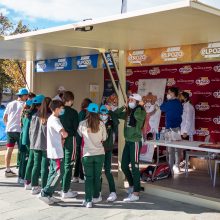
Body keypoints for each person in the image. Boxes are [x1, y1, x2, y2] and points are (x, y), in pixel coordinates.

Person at [114, 93, 146, 202]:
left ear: (137, 102)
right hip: (128, 142)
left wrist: (138, 106)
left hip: (135, 142)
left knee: (135, 167)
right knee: (123, 165)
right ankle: (132, 186)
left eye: (132, 100)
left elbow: (137, 116)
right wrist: (124, 106)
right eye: (129, 100)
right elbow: (115, 114)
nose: (130, 102)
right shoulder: (128, 112)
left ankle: (136, 193)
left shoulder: (140, 111)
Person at [38, 100, 68, 205]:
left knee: (53, 173)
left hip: (54, 150)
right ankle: (45, 192)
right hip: (56, 152)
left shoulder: (53, 118)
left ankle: (49, 194)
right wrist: (65, 134)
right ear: (56, 109)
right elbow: (63, 133)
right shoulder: (54, 120)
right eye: (61, 108)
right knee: (59, 173)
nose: (62, 110)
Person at [78, 103, 107, 208]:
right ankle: (96, 196)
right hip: (99, 154)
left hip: (87, 155)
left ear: (88, 112)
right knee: (97, 176)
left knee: (88, 178)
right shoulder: (102, 124)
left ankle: (88, 200)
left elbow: (80, 135)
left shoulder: (82, 124)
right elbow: (104, 138)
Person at [3, 88, 29, 177]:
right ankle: (22, 172)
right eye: (27, 95)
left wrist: (7, 125)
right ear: (24, 96)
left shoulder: (10, 104)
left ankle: (7, 170)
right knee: (22, 151)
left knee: (9, 150)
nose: (27, 97)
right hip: (19, 130)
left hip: (9, 130)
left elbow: (4, 117)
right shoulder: (25, 104)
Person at [30, 97, 52, 195]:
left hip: (35, 144)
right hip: (45, 145)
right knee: (44, 167)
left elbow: (31, 131)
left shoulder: (34, 115)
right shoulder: (49, 117)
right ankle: (43, 187)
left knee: (36, 165)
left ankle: (34, 186)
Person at [60, 91, 79, 198]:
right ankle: (65, 190)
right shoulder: (73, 112)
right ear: (71, 100)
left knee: (62, 164)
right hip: (71, 139)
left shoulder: (60, 111)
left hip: (59, 139)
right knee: (69, 164)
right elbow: (77, 127)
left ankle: (63, 186)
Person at [160, 87, 183, 174]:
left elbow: (162, 108)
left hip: (169, 128)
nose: (167, 94)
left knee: (171, 150)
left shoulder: (170, 103)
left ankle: (170, 167)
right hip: (177, 128)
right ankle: (176, 166)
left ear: (173, 93)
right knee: (176, 149)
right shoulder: (179, 103)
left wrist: (164, 102)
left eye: (169, 93)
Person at [24, 94, 45, 190]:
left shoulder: (30, 114)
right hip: (35, 142)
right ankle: (31, 183)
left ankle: (29, 182)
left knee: (32, 162)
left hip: (32, 141)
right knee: (34, 162)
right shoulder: (36, 115)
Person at [99, 105, 119, 202]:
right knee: (98, 172)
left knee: (108, 171)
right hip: (98, 150)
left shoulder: (111, 122)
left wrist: (110, 111)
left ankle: (113, 192)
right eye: (102, 113)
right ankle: (97, 192)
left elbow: (117, 121)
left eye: (105, 113)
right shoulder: (96, 122)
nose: (104, 115)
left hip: (108, 149)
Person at [73, 98, 92, 183]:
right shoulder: (84, 114)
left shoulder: (81, 113)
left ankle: (76, 176)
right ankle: (81, 177)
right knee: (81, 158)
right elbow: (82, 127)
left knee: (78, 158)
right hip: (81, 139)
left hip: (78, 138)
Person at [18, 99, 37, 184]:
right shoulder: (31, 115)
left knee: (23, 159)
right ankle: (25, 178)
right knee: (28, 160)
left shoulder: (25, 114)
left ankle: (21, 177)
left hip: (23, 138)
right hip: (28, 139)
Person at [179, 92, 195, 168]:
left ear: (185, 98)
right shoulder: (183, 105)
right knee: (183, 147)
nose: (180, 98)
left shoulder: (189, 107)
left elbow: (189, 120)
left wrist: (185, 131)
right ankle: (184, 161)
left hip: (186, 131)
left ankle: (187, 162)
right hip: (182, 130)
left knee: (186, 147)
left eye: (181, 97)